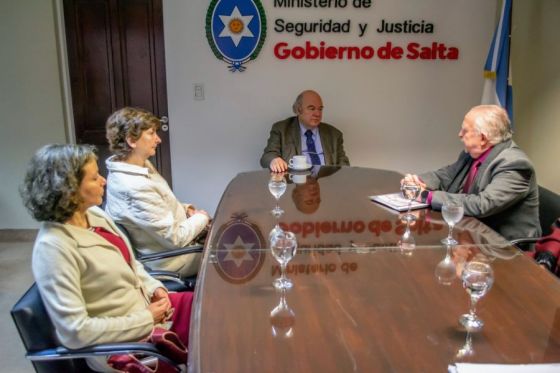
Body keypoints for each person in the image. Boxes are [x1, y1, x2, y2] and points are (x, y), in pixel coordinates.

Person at [20, 144, 193, 372]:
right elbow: (75, 332)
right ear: (68, 189)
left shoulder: (95, 214)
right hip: (123, 347)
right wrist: (146, 318)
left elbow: (133, 266)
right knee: (218, 348)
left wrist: (154, 288)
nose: (104, 181)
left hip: (150, 311)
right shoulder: (53, 248)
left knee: (211, 309)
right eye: (94, 178)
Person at [402, 104, 540, 241]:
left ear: (483, 138)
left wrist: (427, 196)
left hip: (504, 249)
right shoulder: (472, 154)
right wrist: (417, 182)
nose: (460, 134)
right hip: (469, 234)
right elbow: (446, 176)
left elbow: (482, 204)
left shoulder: (515, 164)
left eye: (465, 130)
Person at [105, 107, 210, 277]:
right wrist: (202, 217)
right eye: (151, 133)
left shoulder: (139, 165)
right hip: (171, 260)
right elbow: (175, 238)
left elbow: (159, 203)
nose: (158, 139)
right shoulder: (133, 186)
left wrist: (185, 209)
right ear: (132, 140)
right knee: (232, 254)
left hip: (178, 246)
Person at [260, 90, 350, 172]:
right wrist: (273, 160)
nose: (317, 114)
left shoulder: (334, 134)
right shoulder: (282, 129)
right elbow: (267, 156)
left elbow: (344, 164)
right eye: (312, 108)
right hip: (295, 184)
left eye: (320, 109)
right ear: (299, 110)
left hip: (326, 184)